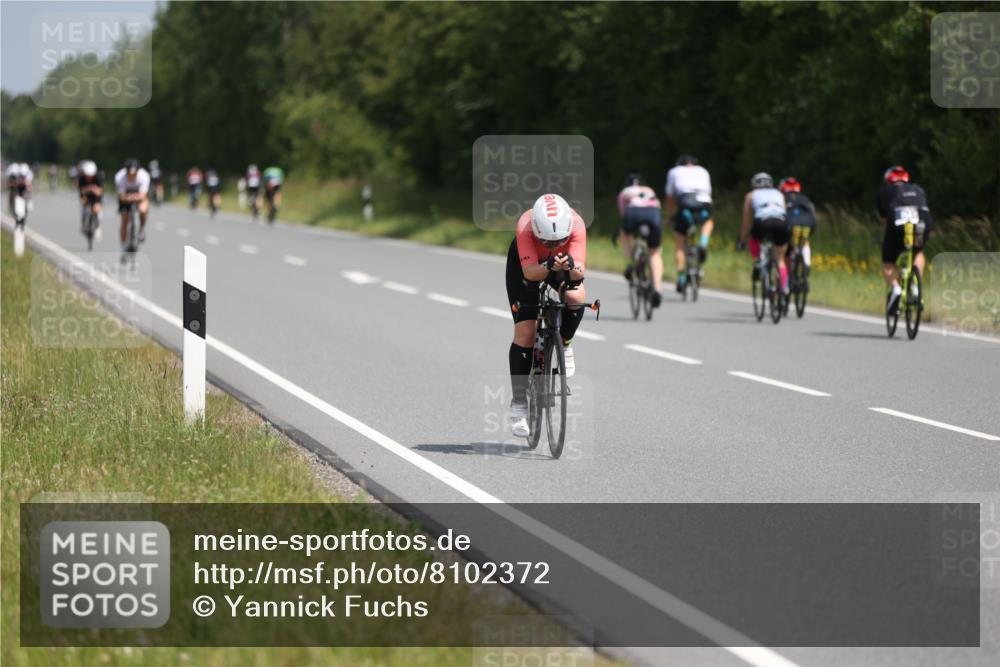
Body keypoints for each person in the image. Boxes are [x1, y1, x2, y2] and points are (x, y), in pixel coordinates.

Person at [505, 193, 588, 438]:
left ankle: (565, 342)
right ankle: (519, 404)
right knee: (525, 333)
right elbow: (531, 273)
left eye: (559, 240)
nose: (553, 245)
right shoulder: (525, 226)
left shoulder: (576, 224)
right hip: (528, 268)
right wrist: (547, 265)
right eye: (547, 241)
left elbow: (580, 273)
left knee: (575, 297)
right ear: (536, 230)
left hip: (561, 265)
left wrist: (571, 266)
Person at [876, 165, 932, 315]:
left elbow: (885, 221)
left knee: (888, 262)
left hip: (898, 223)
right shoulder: (918, 189)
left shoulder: (884, 192)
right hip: (923, 222)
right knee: (917, 252)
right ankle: (915, 285)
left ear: (888, 180)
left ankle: (895, 288)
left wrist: (886, 241)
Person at [664, 155, 714, 293]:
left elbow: (670, 197)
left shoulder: (674, 171)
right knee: (708, 221)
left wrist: (669, 217)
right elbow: (708, 192)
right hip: (704, 201)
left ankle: (681, 277)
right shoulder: (703, 170)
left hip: (686, 201)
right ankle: (703, 243)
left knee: (680, 243)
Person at [737, 172, 789, 293]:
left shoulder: (750, 195)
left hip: (763, 222)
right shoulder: (779, 194)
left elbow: (746, 224)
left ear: (754, 185)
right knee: (780, 258)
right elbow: (785, 214)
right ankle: (785, 287)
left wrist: (741, 241)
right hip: (781, 222)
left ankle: (757, 261)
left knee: (754, 238)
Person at [617, 173, 664, 306]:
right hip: (653, 213)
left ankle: (630, 264)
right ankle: (657, 289)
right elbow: (658, 206)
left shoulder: (624, 192)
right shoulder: (649, 190)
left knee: (625, 233)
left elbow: (623, 214)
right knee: (654, 252)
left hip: (633, 212)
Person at [779, 177, 817, 274]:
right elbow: (812, 214)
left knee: (787, 248)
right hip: (808, 224)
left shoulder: (782, 198)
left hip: (791, 225)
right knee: (805, 241)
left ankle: (788, 275)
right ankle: (807, 263)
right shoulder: (805, 198)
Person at [115, 159, 151, 260]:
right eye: (130, 174)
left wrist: (134, 197)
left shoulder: (144, 176)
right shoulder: (120, 177)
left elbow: (143, 195)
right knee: (124, 221)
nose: (132, 176)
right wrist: (127, 198)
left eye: (134, 174)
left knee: (143, 210)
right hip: (126, 197)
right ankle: (123, 247)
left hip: (139, 195)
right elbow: (121, 196)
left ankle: (141, 229)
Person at [77, 160, 104, 238]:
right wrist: (90, 189)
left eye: (91, 175)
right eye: (87, 175)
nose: (89, 177)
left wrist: (92, 190)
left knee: (97, 209)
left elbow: (100, 191)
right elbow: (81, 190)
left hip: (96, 197)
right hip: (85, 195)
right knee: (84, 206)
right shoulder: (81, 179)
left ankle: (98, 226)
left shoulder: (98, 178)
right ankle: (83, 223)